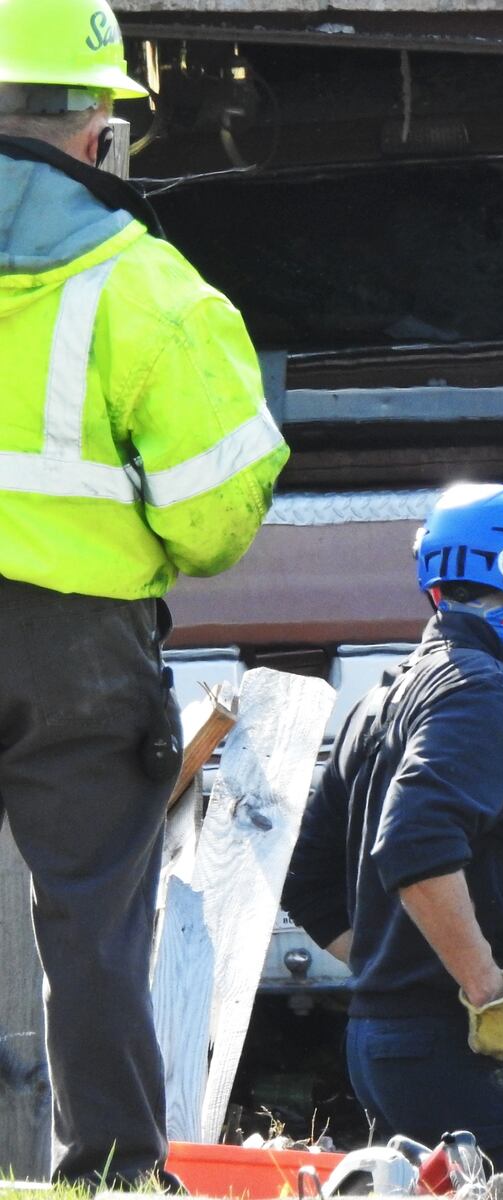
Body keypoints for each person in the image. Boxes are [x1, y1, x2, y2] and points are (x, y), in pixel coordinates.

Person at [0, 0, 288, 1185]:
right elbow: (217, 518)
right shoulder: (150, 294)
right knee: (93, 920)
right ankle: (113, 1168)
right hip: (76, 646)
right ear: (95, 130)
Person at [281, 484, 503, 1169]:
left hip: (382, 1042)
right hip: (457, 1045)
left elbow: (303, 877)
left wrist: (391, 970)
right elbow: (416, 844)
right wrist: (484, 992)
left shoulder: (383, 697)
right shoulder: (479, 690)